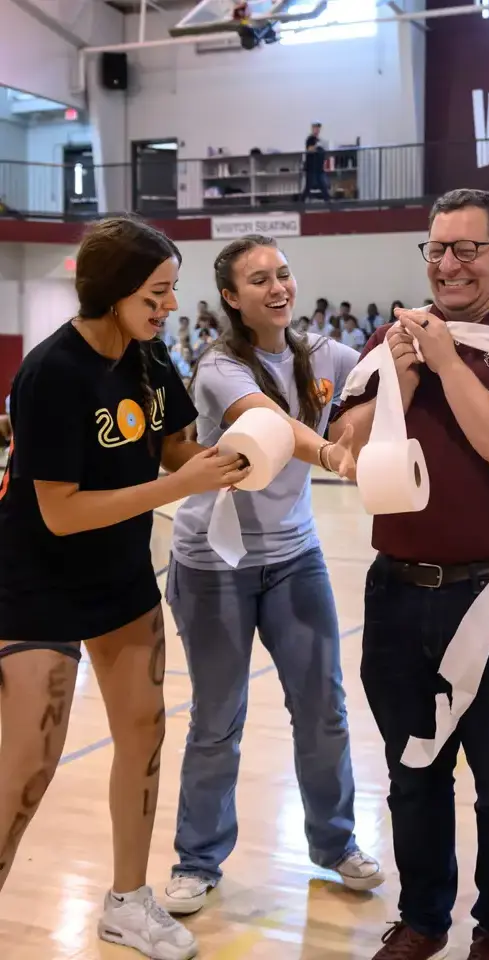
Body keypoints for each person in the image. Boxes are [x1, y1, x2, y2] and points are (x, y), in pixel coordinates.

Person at [0, 217, 251, 960]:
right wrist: (178, 482)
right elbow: (61, 509)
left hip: (120, 579)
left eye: (173, 290)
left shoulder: (147, 359)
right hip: (35, 584)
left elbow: (175, 446)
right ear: (113, 292)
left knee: (144, 733)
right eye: (158, 291)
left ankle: (127, 902)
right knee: (27, 768)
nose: (171, 304)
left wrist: (240, 455)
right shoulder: (50, 373)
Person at [331, 189, 489, 960]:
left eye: (468, 248)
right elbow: (347, 446)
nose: (449, 263)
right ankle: (426, 919)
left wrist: (446, 363)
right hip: (398, 592)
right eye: (436, 248)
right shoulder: (389, 338)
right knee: (411, 775)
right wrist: (397, 378)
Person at [163, 235, 383, 916]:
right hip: (213, 563)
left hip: (295, 559)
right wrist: (333, 452)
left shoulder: (321, 353)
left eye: (283, 274)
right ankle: (198, 860)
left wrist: (391, 371)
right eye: (259, 280)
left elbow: (377, 366)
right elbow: (272, 425)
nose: (278, 287)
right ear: (231, 297)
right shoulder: (219, 366)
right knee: (217, 720)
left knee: (322, 712)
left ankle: (336, 842)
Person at [302, 123, 330, 203]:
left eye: (318, 128)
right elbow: (310, 149)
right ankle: (300, 204)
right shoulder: (310, 139)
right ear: (312, 129)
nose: (317, 130)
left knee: (323, 186)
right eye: (315, 128)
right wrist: (317, 146)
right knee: (308, 187)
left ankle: (329, 204)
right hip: (311, 168)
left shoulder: (320, 140)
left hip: (319, 168)